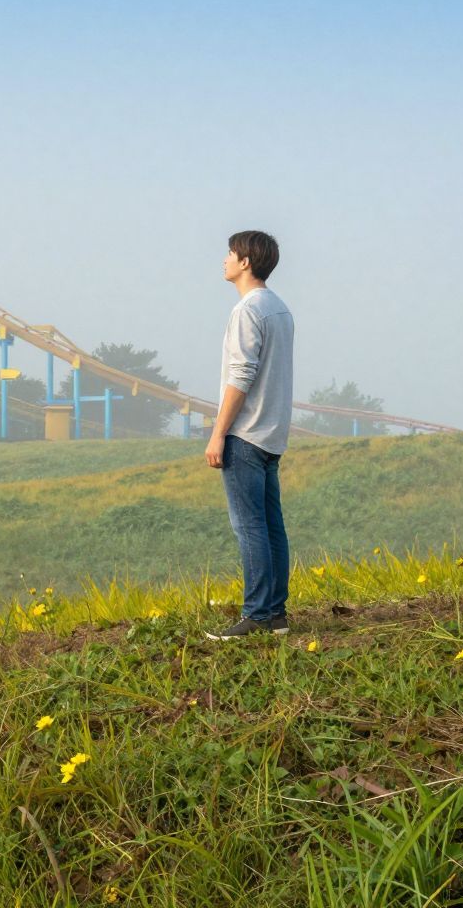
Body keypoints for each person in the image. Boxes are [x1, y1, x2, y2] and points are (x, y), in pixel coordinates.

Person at [203, 230, 295, 640]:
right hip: (272, 434)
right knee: (271, 525)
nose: (224, 259)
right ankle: (275, 615)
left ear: (245, 262)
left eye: (229, 253)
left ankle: (257, 614)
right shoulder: (279, 309)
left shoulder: (247, 310)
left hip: (245, 433)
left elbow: (242, 375)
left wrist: (218, 433)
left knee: (250, 527)